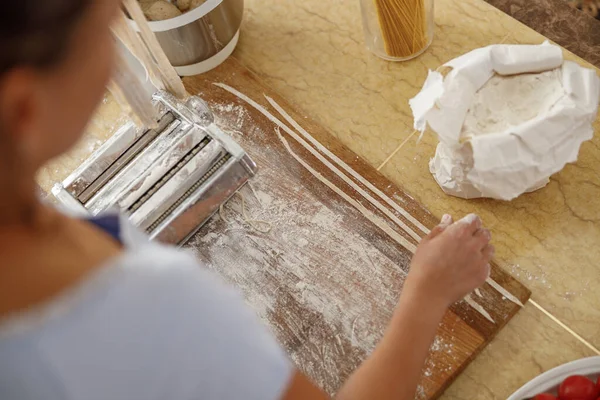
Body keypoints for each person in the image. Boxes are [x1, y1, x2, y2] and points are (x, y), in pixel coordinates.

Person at [0, 1, 495, 399]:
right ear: (26, 110)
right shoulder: (149, 308)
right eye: (106, 33)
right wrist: (428, 293)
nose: (117, 60)